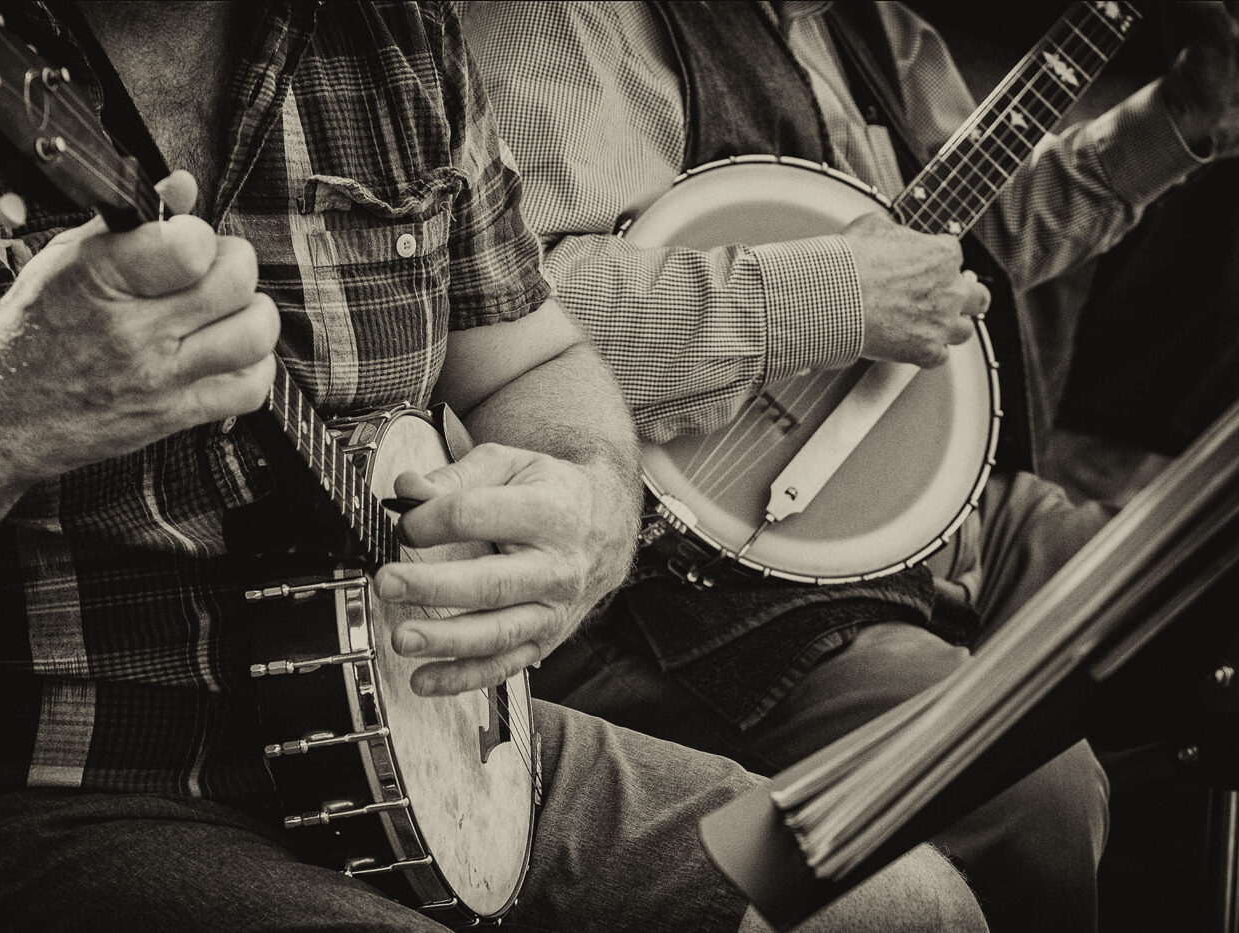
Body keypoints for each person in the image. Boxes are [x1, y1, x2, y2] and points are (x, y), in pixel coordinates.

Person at [0, 2, 996, 931]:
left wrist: (579, 506)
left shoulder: (392, 35)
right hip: (45, 791)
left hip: (449, 733)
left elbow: (535, 362)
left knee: (894, 900)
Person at [461, 1, 1239, 931]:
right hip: (708, 580)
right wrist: (833, 293)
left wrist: (1171, 125)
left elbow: (966, 250)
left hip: (931, 499)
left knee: (1201, 599)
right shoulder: (573, 29)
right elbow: (509, 308)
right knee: (1040, 793)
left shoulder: (879, 36)